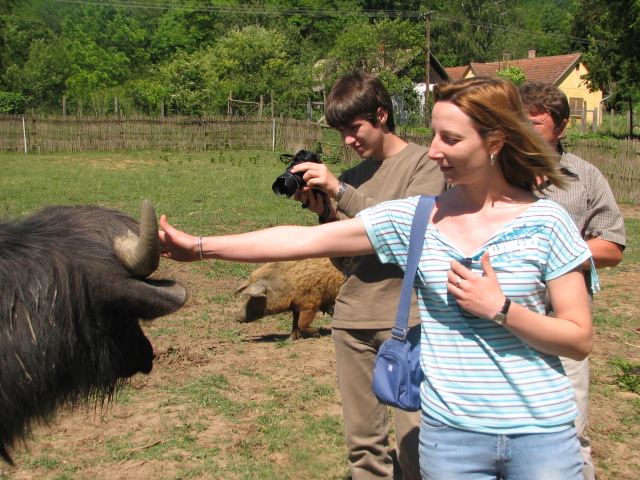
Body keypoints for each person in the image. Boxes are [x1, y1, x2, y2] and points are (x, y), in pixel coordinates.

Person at [159, 76, 593, 480]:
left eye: (450, 139)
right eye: (434, 135)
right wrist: (199, 246)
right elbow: (300, 241)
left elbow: (578, 339)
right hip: (452, 440)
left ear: (495, 141)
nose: (434, 150)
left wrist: (500, 309)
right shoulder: (421, 218)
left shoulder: (548, 222)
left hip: (542, 436)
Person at [289, 71, 445, 480]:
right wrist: (327, 215)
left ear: (381, 114)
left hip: (411, 320)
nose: (347, 140)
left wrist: (340, 193)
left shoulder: (426, 164)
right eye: (340, 131)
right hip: (353, 320)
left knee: (417, 447)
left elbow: (411, 232)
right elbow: (345, 261)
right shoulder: (353, 176)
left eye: (354, 128)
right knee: (363, 447)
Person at [520, 82, 626, 480]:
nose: (525, 131)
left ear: (562, 127)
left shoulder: (585, 178)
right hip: (499, 321)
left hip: (563, 324)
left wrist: (555, 249)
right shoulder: (494, 171)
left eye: (536, 124)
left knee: (570, 432)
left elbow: (612, 246)